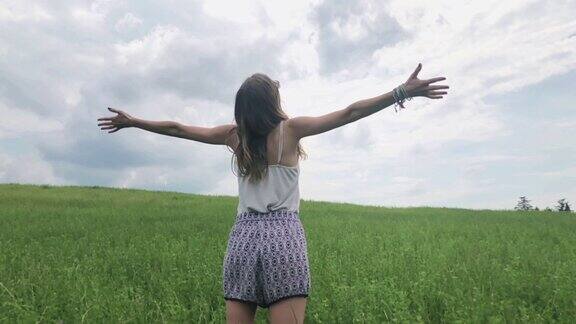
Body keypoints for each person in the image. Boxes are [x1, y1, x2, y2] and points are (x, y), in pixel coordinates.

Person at [97, 63, 448, 323]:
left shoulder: (234, 137)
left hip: (244, 238)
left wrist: (134, 122)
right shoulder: (291, 131)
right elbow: (351, 112)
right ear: (272, 102)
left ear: (243, 108)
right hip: (284, 236)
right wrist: (401, 92)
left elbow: (176, 128)